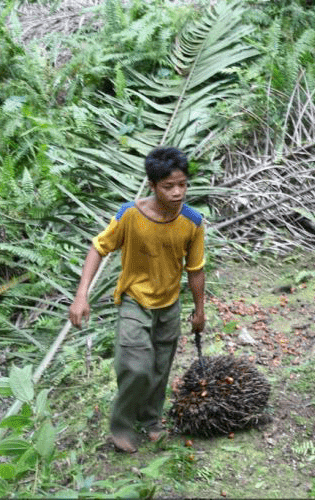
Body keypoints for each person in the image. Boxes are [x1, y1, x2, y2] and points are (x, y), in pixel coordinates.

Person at [68, 147, 206, 453]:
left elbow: (195, 269)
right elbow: (98, 248)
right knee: (136, 366)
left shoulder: (193, 222)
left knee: (159, 368)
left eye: (182, 184)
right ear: (152, 185)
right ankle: (122, 426)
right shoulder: (130, 215)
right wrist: (81, 296)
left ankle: (151, 420)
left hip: (169, 304)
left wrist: (200, 310)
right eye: (169, 186)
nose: (177, 192)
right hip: (134, 301)